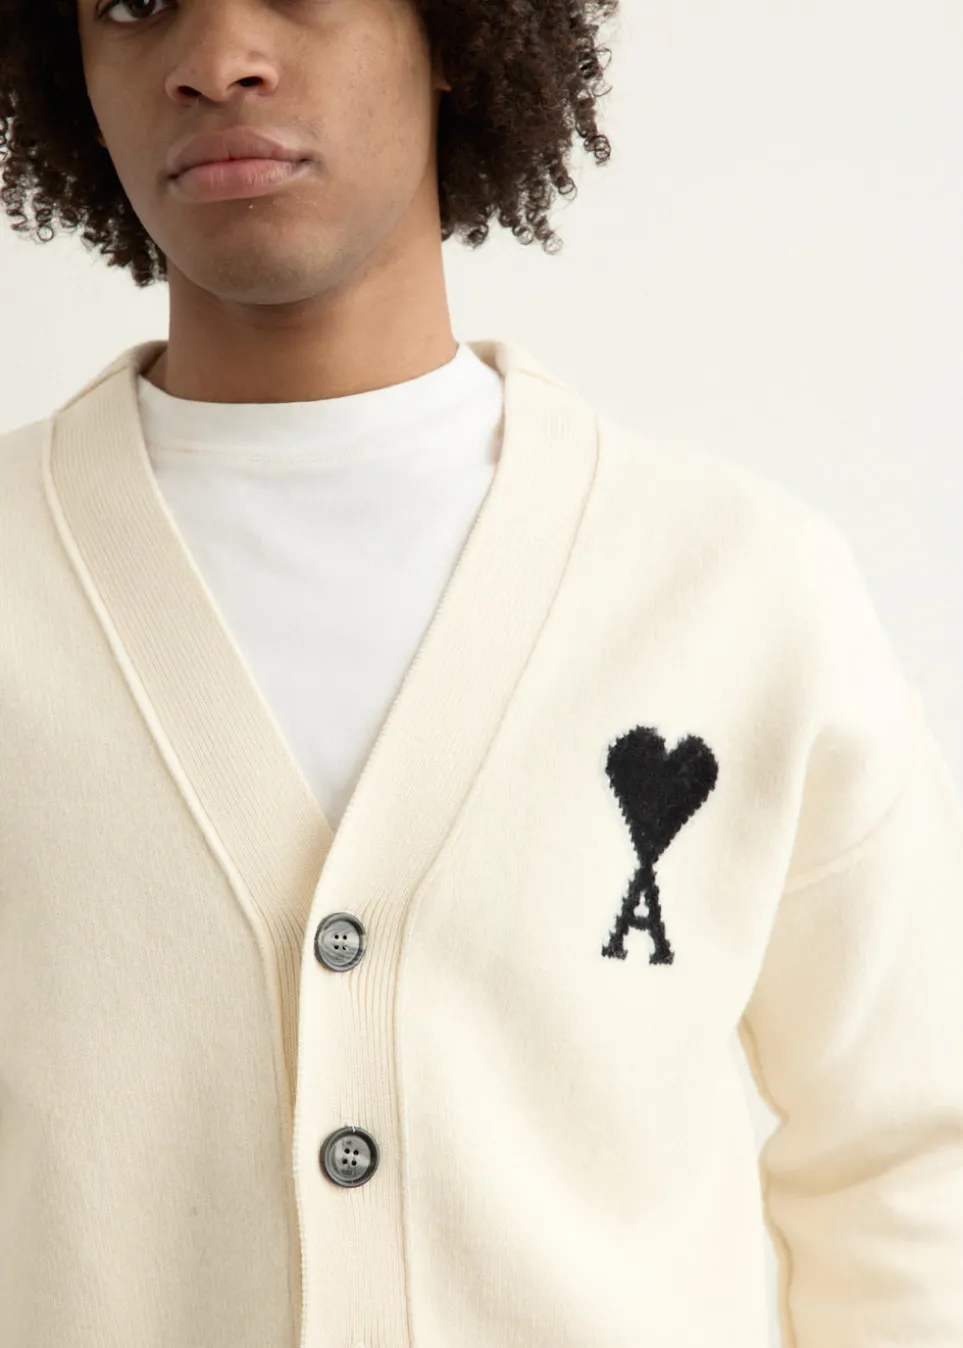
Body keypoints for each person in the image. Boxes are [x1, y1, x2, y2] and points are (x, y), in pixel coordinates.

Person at [1, 2, 961, 1347]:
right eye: (133, 0)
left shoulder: (742, 592)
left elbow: (906, 1164)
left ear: (454, 32)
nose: (216, 60)